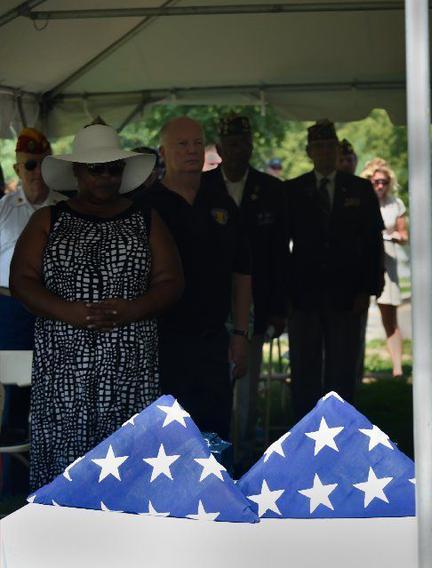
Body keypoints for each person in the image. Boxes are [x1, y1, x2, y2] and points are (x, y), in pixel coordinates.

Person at [10, 123, 183, 489]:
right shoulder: (48, 219)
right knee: (65, 466)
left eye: (114, 168)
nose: (106, 176)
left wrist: (133, 309)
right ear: (76, 170)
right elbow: (22, 281)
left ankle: (126, 535)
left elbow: (171, 282)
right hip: (63, 370)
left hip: (129, 367)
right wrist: (66, 311)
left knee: (126, 464)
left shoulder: (146, 219)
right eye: (95, 168)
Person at [134, 116, 252, 442]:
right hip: (161, 344)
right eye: (182, 144)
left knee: (215, 435)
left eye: (197, 143)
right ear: (163, 152)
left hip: (214, 342)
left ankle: (217, 493)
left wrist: (241, 333)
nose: (191, 151)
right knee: (167, 441)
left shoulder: (222, 204)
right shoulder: (145, 207)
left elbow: (242, 272)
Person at [203, 114, 288, 465]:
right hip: (208, 304)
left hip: (256, 302)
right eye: (231, 142)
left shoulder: (271, 190)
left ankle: (244, 455)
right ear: (220, 148)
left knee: (247, 388)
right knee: (211, 384)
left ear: (252, 146)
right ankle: (214, 453)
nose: (238, 149)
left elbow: (281, 253)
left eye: (244, 142)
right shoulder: (203, 186)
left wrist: (280, 308)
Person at [286, 120, 384, 417]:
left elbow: (372, 241)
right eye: (319, 147)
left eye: (330, 146)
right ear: (309, 152)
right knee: (304, 367)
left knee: (343, 367)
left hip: (346, 292)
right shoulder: (293, 189)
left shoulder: (359, 188)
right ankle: (303, 430)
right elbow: (279, 244)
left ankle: (344, 427)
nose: (325, 152)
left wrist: (368, 288)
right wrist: (285, 292)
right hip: (304, 295)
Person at [0, 128, 67, 445]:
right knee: (15, 386)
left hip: (53, 306)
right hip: (11, 308)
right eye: (29, 165)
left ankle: (51, 451)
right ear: (16, 169)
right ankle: (14, 475)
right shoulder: (3, 209)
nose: (37, 172)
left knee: (55, 381)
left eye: (43, 164)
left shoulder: (67, 209)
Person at [361, 158, 408, 378]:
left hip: (387, 263)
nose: (380, 185)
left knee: (389, 317)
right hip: (362, 263)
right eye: (375, 181)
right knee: (355, 316)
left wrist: (393, 236)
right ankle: (355, 366)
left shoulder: (395, 204)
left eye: (384, 181)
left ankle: (397, 368)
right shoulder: (359, 201)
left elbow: (403, 234)